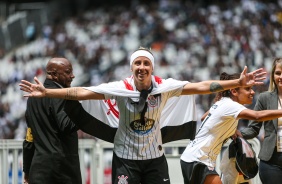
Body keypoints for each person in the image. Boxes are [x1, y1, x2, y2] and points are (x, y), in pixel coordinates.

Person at [19, 47, 266, 184]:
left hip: (154, 159)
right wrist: (48, 93)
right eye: (137, 63)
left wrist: (236, 81)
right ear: (131, 67)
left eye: (146, 64)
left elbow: (201, 86)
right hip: (125, 159)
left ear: (152, 68)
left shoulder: (164, 87)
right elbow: (83, 92)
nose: (142, 67)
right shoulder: (120, 88)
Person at [180, 72, 282, 184]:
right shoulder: (231, 106)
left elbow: (204, 117)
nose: (252, 92)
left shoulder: (223, 103)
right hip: (198, 159)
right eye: (247, 89)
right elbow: (257, 116)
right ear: (233, 91)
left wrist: (230, 130)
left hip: (190, 158)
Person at [22, 58, 82, 184]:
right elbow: (65, 125)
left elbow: (29, 138)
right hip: (62, 172)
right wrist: (83, 112)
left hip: (38, 171)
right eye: (67, 72)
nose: (72, 75)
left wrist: (27, 171)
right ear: (54, 74)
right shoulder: (60, 94)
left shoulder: (32, 98)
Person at [237, 58, 282, 184]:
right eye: (278, 73)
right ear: (273, 75)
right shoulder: (264, 98)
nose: (281, 77)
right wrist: (238, 134)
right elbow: (254, 128)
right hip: (271, 163)